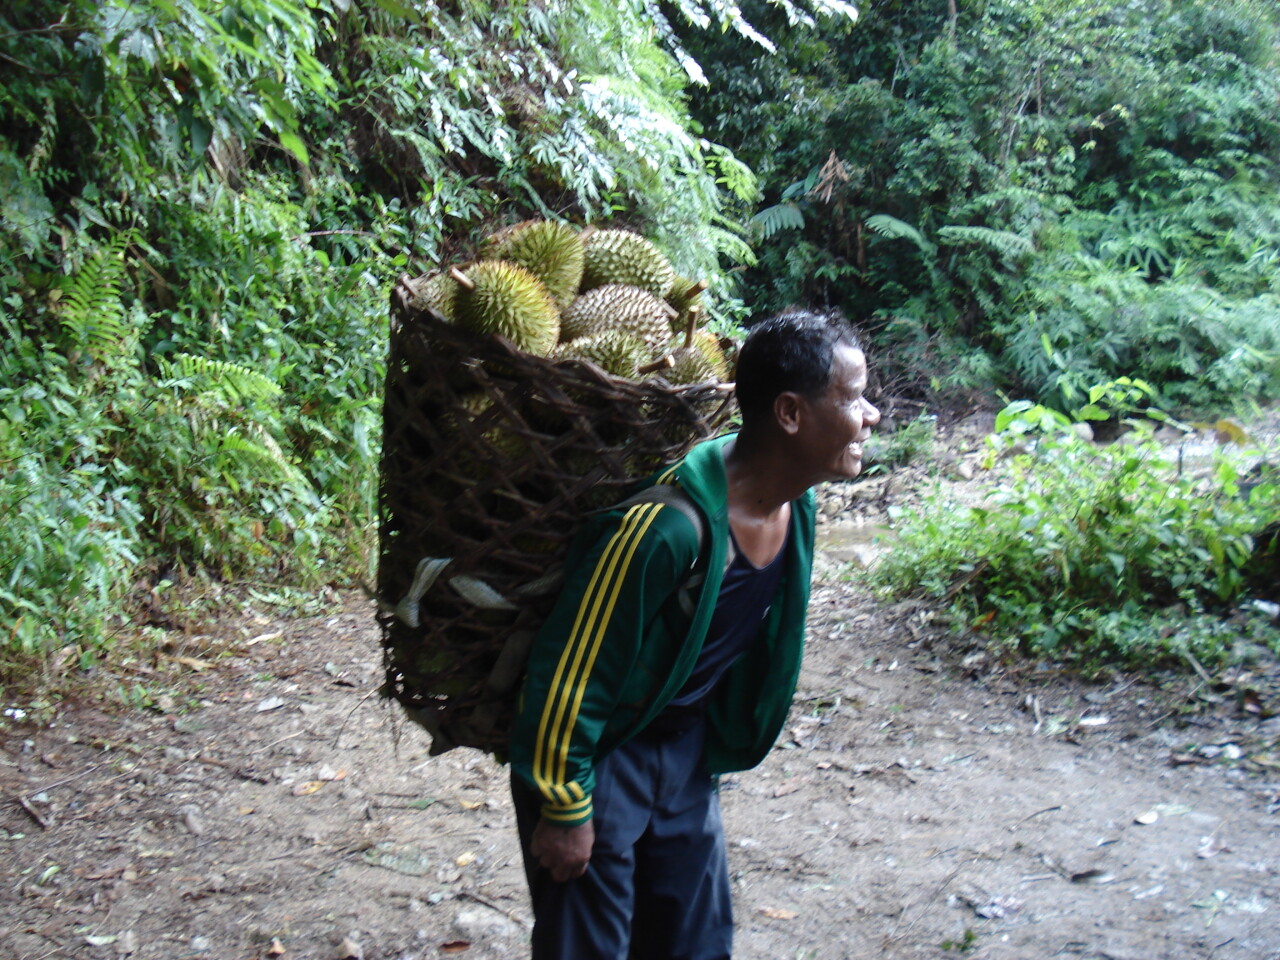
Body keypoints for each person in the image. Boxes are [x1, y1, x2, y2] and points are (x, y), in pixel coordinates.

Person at [508, 307, 881, 959]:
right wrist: (564, 806)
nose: (870, 414)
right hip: (603, 756)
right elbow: (571, 672)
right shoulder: (665, 531)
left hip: (685, 753)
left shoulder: (800, 508)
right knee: (587, 948)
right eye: (852, 398)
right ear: (790, 413)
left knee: (695, 942)